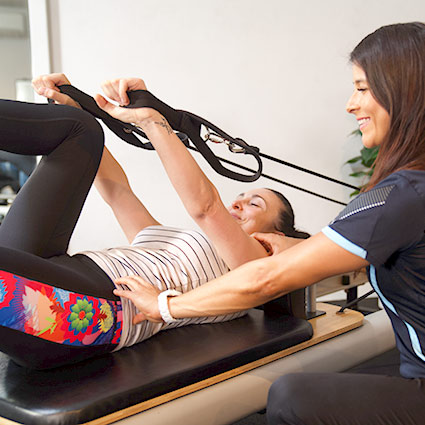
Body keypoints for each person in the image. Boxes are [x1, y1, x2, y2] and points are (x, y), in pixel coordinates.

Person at [117, 22, 425, 424]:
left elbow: (224, 229)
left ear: (403, 92)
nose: (350, 104)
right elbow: (117, 193)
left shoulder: (403, 194)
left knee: (291, 395)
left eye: (363, 88)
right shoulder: (408, 191)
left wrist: (164, 305)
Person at [0, 74, 307, 369]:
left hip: (86, 311)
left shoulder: (253, 266)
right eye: (241, 195)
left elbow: (206, 207)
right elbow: (118, 192)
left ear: (275, 236)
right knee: (81, 131)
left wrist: (152, 121)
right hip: (60, 272)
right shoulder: (168, 241)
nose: (238, 202)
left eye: (255, 204)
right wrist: (74, 107)